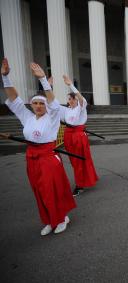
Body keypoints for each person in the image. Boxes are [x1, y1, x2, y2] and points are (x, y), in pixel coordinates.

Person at [1, 58, 76, 235]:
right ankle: (50, 219)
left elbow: (53, 102)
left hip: (48, 158)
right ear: (31, 105)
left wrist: (43, 80)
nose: (38, 106)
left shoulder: (53, 116)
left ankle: (61, 217)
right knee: (39, 191)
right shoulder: (27, 117)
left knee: (52, 190)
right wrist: (5, 77)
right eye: (35, 103)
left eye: (42, 103)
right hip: (32, 159)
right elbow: (14, 98)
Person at [59, 75, 99, 196]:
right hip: (68, 135)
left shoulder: (81, 108)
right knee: (74, 161)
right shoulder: (66, 110)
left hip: (78, 136)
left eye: (73, 99)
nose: (70, 101)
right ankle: (86, 179)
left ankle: (80, 185)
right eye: (69, 99)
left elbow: (81, 99)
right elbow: (52, 105)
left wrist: (71, 85)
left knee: (78, 161)